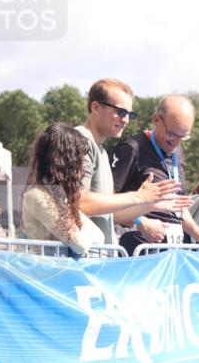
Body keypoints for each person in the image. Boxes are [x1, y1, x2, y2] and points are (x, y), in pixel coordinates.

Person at [76, 78, 181, 245]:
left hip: (99, 258)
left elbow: (109, 214)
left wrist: (148, 206)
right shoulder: (80, 141)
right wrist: (138, 197)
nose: (126, 120)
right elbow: (80, 202)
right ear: (95, 107)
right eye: (120, 112)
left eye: (130, 114)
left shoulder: (101, 151)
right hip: (81, 260)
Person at [111, 95, 199, 255]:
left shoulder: (177, 153)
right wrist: (140, 222)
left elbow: (178, 206)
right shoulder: (132, 148)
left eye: (184, 137)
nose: (176, 142)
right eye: (172, 135)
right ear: (156, 119)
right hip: (140, 246)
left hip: (174, 248)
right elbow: (109, 199)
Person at [22, 124, 105, 254]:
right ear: (66, 160)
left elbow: (100, 236)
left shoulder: (58, 197)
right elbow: (80, 245)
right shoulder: (37, 195)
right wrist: (86, 231)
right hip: (48, 272)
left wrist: (85, 232)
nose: (84, 164)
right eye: (80, 157)